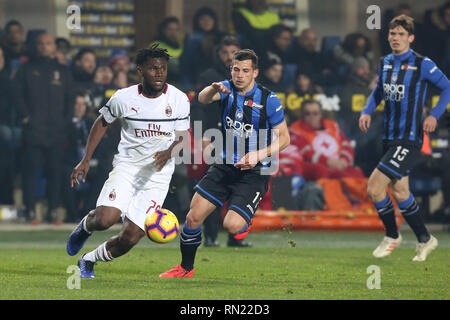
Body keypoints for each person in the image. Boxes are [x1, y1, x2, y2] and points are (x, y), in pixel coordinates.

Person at [160, 49, 290, 277]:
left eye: (245, 71)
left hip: (254, 172)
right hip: (223, 166)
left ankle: (244, 220)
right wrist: (212, 88)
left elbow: (285, 138)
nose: (239, 75)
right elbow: (202, 99)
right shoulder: (226, 87)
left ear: (255, 73)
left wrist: (258, 155)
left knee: (232, 225)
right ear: (231, 69)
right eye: (236, 69)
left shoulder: (269, 99)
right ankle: (185, 268)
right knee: (193, 217)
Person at [66, 46, 190, 278]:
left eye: (163, 68)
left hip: (158, 176)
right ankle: (85, 227)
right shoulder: (123, 98)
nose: (159, 73)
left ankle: (89, 260)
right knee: (104, 220)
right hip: (127, 168)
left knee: (131, 236)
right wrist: (85, 159)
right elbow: (102, 123)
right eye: (153, 68)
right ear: (140, 70)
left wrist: (170, 151)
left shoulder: (179, 99)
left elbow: (183, 138)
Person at [359, 15, 450, 261]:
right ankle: (425, 238)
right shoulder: (385, 62)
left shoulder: (423, 64)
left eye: (401, 34)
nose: (395, 38)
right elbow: (378, 92)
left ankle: (392, 235)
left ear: (410, 38)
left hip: (409, 139)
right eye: (392, 33)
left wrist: (434, 115)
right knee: (400, 192)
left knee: (374, 187)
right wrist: (367, 110)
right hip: (389, 137)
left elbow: (447, 87)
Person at [11, 33, 73, 223]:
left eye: (48, 43)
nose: (44, 47)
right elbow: (17, 96)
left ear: (54, 47)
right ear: (35, 46)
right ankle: (30, 210)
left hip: (56, 130)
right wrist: (26, 117)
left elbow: (70, 99)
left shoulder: (62, 70)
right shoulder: (25, 69)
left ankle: (53, 210)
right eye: (40, 44)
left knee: (54, 171)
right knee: (31, 171)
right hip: (34, 130)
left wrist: (64, 122)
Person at [290, 100, 364, 180]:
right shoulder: (295, 129)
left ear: (320, 114)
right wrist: (328, 162)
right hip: (321, 167)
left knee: (358, 174)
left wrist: (344, 161)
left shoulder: (332, 125)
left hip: (341, 164)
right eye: (308, 114)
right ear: (303, 116)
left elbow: (346, 145)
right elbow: (306, 152)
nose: (312, 116)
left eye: (315, 113)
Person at [149, 17, 184, 86]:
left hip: (181, 79)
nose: (173, 33)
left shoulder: (182, 45)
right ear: (163, 30)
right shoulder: (156, 45)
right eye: (170, 29)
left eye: (176, 30)